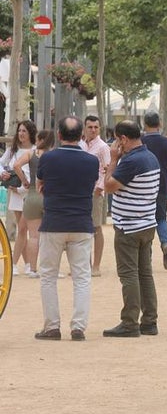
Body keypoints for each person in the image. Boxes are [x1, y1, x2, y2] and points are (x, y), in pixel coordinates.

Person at [34, 117, 98, 341]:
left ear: (59, 135)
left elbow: (40, 185)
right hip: (81, 223)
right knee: (82, 278)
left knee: (49, 276)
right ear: (81, 135)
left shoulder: (48, 158)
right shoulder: (91, 161)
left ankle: (52, 327)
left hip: (54, 223)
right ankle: (78, 327)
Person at [103, 120, 160, 338]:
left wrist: (113, 159)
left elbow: (109, 186)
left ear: (124, 139)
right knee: (145, 274)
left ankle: (129, 322)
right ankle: (149, 320)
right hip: (147, 224)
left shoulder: (130, 161)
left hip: (128, 226)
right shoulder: (150, 157)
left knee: (128, 275)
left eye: (118, 140)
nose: (117, 144)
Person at [140, 111, 167, 270]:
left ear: (144, 124)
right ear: (160, 124)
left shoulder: (140, 142)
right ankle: (165, 243)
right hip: (162, 187)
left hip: (142, 188)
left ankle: (146, 255)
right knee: (161, 218)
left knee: (145, 221)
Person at [14, 128, 53, 279]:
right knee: (49, 236)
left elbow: (16, 165)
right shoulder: (53, 155)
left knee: (34, 236)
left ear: (40, 140)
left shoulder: (31, 153)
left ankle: (32, 268)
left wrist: (24, 181)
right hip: (49, 196)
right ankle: (47, 267)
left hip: (32, 195)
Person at [2, 120, 36, 276]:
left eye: (24, 131)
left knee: (24, 229)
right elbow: (1, 164)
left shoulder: (36, 150)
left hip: (29, 193)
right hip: (16, 193)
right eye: (19, 131)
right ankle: (27, 264)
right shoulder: (12, 150)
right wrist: (4, 174)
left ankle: (14, 263)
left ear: (31, 133)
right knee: (22, 229)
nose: (21, 134)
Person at [81, 115, 112, 277]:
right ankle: (84, 265)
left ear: (100, 129)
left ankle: (96, 265)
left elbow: (108, 170)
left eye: (96, 127)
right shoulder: (80, 145)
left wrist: (100, 188)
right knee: (81, 229)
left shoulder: (103, 147)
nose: (93, 130)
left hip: (95, 193)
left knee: (96, 227)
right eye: (90, 127)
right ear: (84, 128)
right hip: (80, 193)